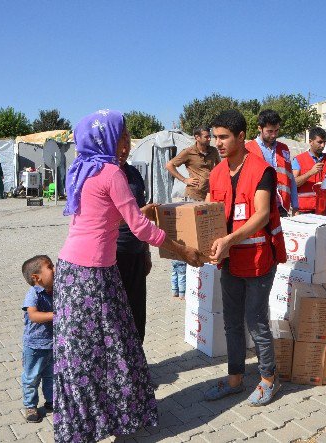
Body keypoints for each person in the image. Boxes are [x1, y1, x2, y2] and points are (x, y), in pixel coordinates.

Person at [53, 110, 204, 443]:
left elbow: (103, 220)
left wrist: (137, 215)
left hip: (72, 270)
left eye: (127, 137)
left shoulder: (81, 169)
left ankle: (85, 424)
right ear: (103, 139)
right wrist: (183, 251)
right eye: (121, 137)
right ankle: (114, 417)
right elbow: (138, 227)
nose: (127, 144)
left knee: (84, 352)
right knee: (113, 348)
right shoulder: (110, 172)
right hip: (92, 275)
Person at [203, 110, 287, 406]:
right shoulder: (216, 173)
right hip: (230, 261)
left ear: (241, 136)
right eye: (215, 137)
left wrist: (228, 240)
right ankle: (235, 379)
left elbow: (262, 215)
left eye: (224, 136)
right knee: (231, 323)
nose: (218, 143)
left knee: (256, 321)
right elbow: (210, 214)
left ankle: (268, 378)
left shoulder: (262, 170)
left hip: (259, 259)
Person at [165, 125, 220, 299]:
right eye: (206, 136)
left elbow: (219, 168)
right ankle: (180, 285)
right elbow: (170, 165)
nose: (209, 139)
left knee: (204, 238)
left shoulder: (213, 152)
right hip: (193, 199)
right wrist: (184, 179)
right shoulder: (188, 152)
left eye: (209, 136)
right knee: (190, 237)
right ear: (197, 137)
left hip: (209, 199)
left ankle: (199, 278)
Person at [116, 147, 154, 343]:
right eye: (118, 142)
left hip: (136, 251)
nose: (124, 148)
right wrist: (139, 215)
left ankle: (137, 361)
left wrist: (147, 253)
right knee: (116, 313)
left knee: (137, 311)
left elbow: (144, 219)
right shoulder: (103, 174)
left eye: (127, 142)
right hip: (112, 255)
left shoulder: (134, 173)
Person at [20, 255, 54, 423]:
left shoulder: (54, 291)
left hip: (52, 344)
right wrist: (55, 315)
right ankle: (30, 405)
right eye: (50, 267)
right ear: (36, 277)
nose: (54, 270)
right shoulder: (33, 293)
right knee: (32, 377)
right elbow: (33, 315)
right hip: (34, 345)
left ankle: (51, 401)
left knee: (51, 375)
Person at [245, 110, 297, 217]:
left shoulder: (284, 149)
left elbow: (290, 179)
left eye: (276, 130)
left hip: (281, 208)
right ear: (260, 128)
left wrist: (295, 206)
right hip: (257, 208)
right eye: (270, 131)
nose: (274, 135)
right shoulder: (248, 149)